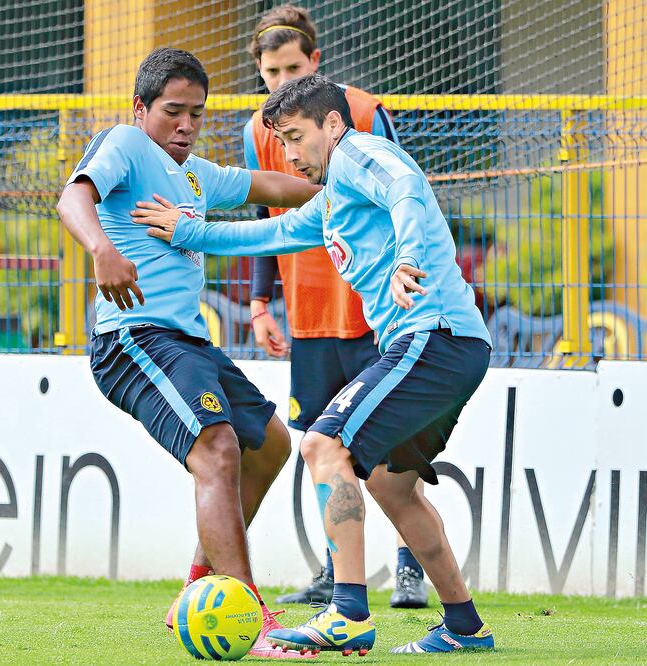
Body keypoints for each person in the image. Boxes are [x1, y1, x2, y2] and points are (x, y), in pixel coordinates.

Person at [132, 74, 495, 655]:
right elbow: (270, 233)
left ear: (331, 124)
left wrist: (407, 256)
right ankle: (465, 627)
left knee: (323, 444)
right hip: (447, 346)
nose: (290, 155)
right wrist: (187, 231)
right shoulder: (331, 203)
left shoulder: (357, 153)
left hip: (435, 337)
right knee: (391, 486)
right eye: (282, 143)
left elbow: (406, 185)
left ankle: (347, 613)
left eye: (297, 138)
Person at [56, 48, 322, 660]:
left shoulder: (196, 175)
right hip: (134, 338)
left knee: (270, 445)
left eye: (196, 114)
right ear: (140, 108)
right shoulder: (125, 143)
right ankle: (250, 619)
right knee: (217, 449)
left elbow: (269, 185)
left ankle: (200, 587)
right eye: (173, 111)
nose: (185, 125)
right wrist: (101, 250)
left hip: (189, 344)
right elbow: (73, 199)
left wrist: (337, 182)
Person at [243, 4, 427, 610]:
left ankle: (409, 567)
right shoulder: (257, 131)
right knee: (322, 444)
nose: (280, 80)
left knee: (393, 445)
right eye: (271, 71)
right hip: (309, 314)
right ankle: (335, 570)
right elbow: (267, 215)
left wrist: (407, 273)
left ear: (315, 61)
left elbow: (404, 190)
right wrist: (260, 302)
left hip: (375, 310)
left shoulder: (364, 112)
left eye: (292, 68)